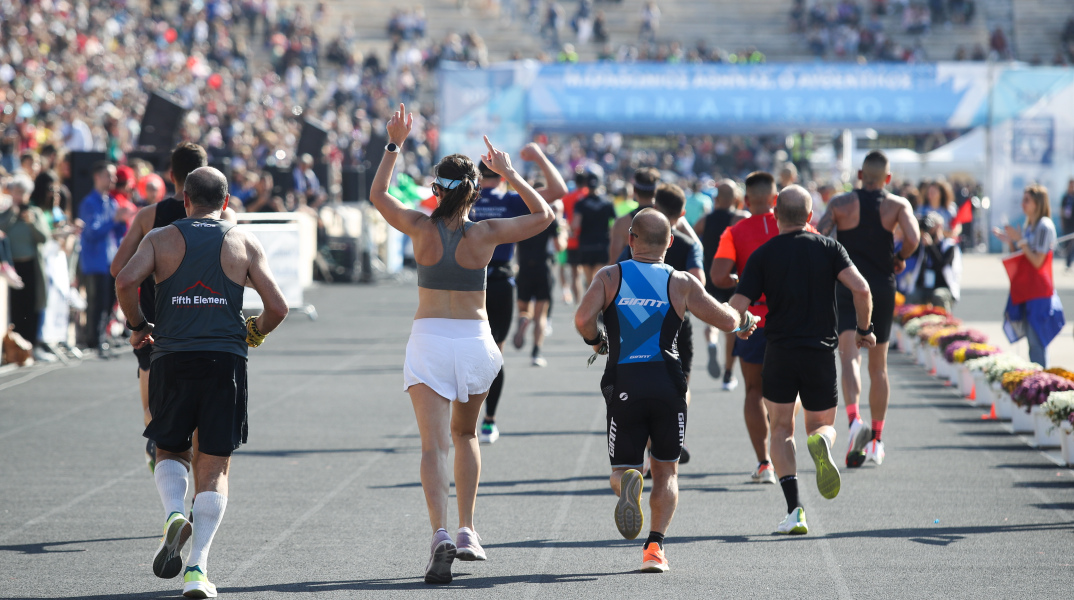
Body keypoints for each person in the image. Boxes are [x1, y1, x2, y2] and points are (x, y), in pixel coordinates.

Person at [369, 104, 554, 584]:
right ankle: (469, 529)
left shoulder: (419, 226)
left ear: (436, 189)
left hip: (429, 338)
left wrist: (395, 144)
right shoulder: (487, 233)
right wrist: (510, 173)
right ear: (474, 190)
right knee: (467, 436)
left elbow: (377, 194)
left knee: (433, 447)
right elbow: (545, 214)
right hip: (476, 339)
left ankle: (440, 534)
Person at [115, 166, 288, 599]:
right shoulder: (243, 239)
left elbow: (124, 280)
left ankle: (174, 513)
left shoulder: (161, 237)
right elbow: (278, 306)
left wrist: (139, 325)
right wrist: (255, 331)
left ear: (186, 199)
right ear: (226, 202)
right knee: (214, 466)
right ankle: (197, 571)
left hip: (171, 358)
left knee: (170, 448)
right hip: (224, 362)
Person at [574, 208, 756, 572]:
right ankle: (654, 549)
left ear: (630, 240)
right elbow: (724, 319)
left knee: (622, 469)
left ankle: (628, 482)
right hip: (668, 383)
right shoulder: (681, 281)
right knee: (667, 470)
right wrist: (743, 320)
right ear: (670, 243)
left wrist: (597, 342)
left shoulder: (610, 276)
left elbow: (582, 319)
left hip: (624, 381)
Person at [730, 186, 876, 534]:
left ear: (776, 215)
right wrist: (864, 329)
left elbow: (736, 306)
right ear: (810, 217)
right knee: (821, 425)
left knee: (781, 428)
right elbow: (862, 289)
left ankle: (795, 510)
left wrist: (741, 326)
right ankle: (824, 441)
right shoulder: (829, 248)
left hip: (779, 351)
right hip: (820, 351)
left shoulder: (763, 254)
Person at [111, 142, 226, 471]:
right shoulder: (225, 217)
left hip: (157, 328)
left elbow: (119, 268)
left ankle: (162, 459)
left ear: (171, 175)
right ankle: (198, 500)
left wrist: (138, 317)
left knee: (155, 416)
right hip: (207, 326)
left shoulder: (150, 216)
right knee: (207, 435)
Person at [817, 151, 920, 468]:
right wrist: (899, 256)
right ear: (887, 178)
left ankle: (854, 421)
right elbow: (915, 238)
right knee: (880, 367)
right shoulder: (897, 205)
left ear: (860, 175)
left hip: (847, 284)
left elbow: (820, 235)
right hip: (882, 287)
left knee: (849, 357)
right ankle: (876, 441)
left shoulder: (839, 204)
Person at [470, 141, 566, 443]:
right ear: (499, 175)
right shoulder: (511, 201)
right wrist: (535, 157)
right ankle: (489, 421)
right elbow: (558, 190)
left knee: (463, 350)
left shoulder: (465, 200)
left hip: (467, 282)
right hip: (500, 281)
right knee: (494, 353)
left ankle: (462, 419)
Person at [710, 171, 787, 484]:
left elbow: (717, 276)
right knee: (787, 389)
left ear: (745, 200)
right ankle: (786, 441)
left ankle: (764, 462)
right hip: (790, 318)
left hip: (753, 318)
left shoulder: (735, 231)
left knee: (754, 390)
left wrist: (742, 280)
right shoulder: (795, 227)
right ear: (774, 199)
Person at [993, 184, 1062, 367]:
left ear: (1037, 203)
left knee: (1036, 343)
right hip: (1028, 290)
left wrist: (1020, 241)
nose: (1023, 204)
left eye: (1027, 200)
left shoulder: (1044, 226)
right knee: (1032, 343)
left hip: (1039, 292)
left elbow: (1038, 261)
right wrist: (1012, 241)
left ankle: (1040, 388)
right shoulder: (1030, 225)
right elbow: (1025, 255)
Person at [695, 179, 747, 389]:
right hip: (733, 277)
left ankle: (711, 341)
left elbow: (691, 239)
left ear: (716, 199)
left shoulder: (704, 220)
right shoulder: (739, 218)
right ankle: (728, 374)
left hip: (710, 274)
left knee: (712, 320)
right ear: (736, 199)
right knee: (732, 323)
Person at [79, 162, 131, 356]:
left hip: (111, 260)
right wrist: (114, 220)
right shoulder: (89, 202)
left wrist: (121, 221)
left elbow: (117, 233)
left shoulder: (111, 202)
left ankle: (101, 336)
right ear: (97, 177)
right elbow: (92, 232)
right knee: (97, 303)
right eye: (109, 176)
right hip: (95, 261)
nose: (113, 180)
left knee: (108, 301)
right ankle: (94, 339)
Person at [0, 174, 53, 362]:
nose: (20, 196)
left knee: (31, 306)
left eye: (23, 193)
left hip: (31, 266)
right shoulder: (6, 213)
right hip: (11, 268)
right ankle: (13, 347)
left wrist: (32, 223)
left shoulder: (35, 213)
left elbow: (44, 237)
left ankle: (30, 345)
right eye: (16, 192)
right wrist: (12, 215)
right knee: (14, 307)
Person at [513, 196, 568, 367]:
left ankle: (523, 319)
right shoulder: (549, 219)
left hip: (524, 268)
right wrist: (563, 232)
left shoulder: (521, 218)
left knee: (524, 308)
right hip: (542, 268)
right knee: (541, 315)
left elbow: (512, 244)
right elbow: (559, 247)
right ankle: (536, 353)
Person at [903, 213, 961, 313]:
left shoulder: (949, 246)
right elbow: (909, 254)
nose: (929, 230)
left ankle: (943, 323)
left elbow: (941, 264)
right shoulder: (921, 245)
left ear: (939, 227)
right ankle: (910, 325)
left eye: (931, 226)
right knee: (912, 296)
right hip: (924, 287)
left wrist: (930, 246)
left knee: (938, 296)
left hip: (943, 286)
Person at [571, 166, 617, 292]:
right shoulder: (608, 202)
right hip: (602, 244)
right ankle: (600, 308)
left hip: (586, 244)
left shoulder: (581, 203)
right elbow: (615, 224)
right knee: (600, 279)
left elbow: (575, 225)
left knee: (589, 280)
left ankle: (589, 307)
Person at [608, 168, 661, 265]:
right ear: (656, 191)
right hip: (664, 279)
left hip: (631, 278)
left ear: (634, 190)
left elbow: (614, 261)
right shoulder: (669, 219)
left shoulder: (622, 223)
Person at [1060, 179, 1074, 270]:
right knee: (1067, 243)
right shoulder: (1065, 197)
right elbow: (1061, 210)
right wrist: (1062, 222)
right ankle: (1067, 263)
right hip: (1067, 224)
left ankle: (1070, 262)